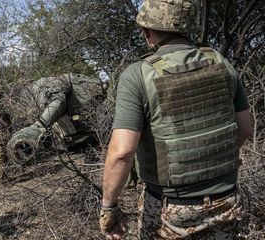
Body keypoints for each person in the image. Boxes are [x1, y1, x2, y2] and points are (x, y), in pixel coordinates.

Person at [99, 1, 254, 239]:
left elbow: (121, 153)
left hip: (170, 210)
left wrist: (109, 208)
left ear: (148, 32)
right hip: (227, 203)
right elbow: (245, 128)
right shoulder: (221, 63)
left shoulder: (138, 75)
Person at [6, 73, 107, 163]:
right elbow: (58, 103)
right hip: (75, 106)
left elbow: (59, 101)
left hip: (86, 101)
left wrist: (38, 126)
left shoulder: (48, 86)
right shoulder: (38, 95)